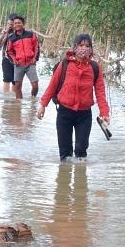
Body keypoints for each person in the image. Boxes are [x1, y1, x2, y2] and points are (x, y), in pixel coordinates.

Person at [37, 34, 110, 162]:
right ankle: (64, 179)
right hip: (64, 113)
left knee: (81, 151)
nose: (84, 49)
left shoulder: (94, 67)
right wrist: (43, 105)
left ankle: (80, 179)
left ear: (91, 49)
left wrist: (104, 113)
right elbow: (52, 86)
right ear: (75, 47)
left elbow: (100, 92)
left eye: (87, 46)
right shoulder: (65, 64)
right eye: (81, 45)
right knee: (65, 155)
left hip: (84, 115)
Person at [6, 15, 39, 99]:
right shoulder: (11, 38)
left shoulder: (31, 34)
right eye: (15, 23)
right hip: (18, 64)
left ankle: (32, 100)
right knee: (17, 86)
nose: (17, 24)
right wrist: (14, 60)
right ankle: (18, 105)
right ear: (13, 25)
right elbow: (9, 51)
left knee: (35, 85)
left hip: (30, 63)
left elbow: (36, 47)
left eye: (19, 23)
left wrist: (35, 58)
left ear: (23, 24)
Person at [0, 14, 17, 93]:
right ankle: (6, 99)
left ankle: (15, 100)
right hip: (6, 58)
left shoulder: (19, 33)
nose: (10, 26)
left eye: (12, 24)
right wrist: (4, 33)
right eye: (8, 24)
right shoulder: (5, 32)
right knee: (6, 79)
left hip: (17, 60)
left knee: (15, 80)